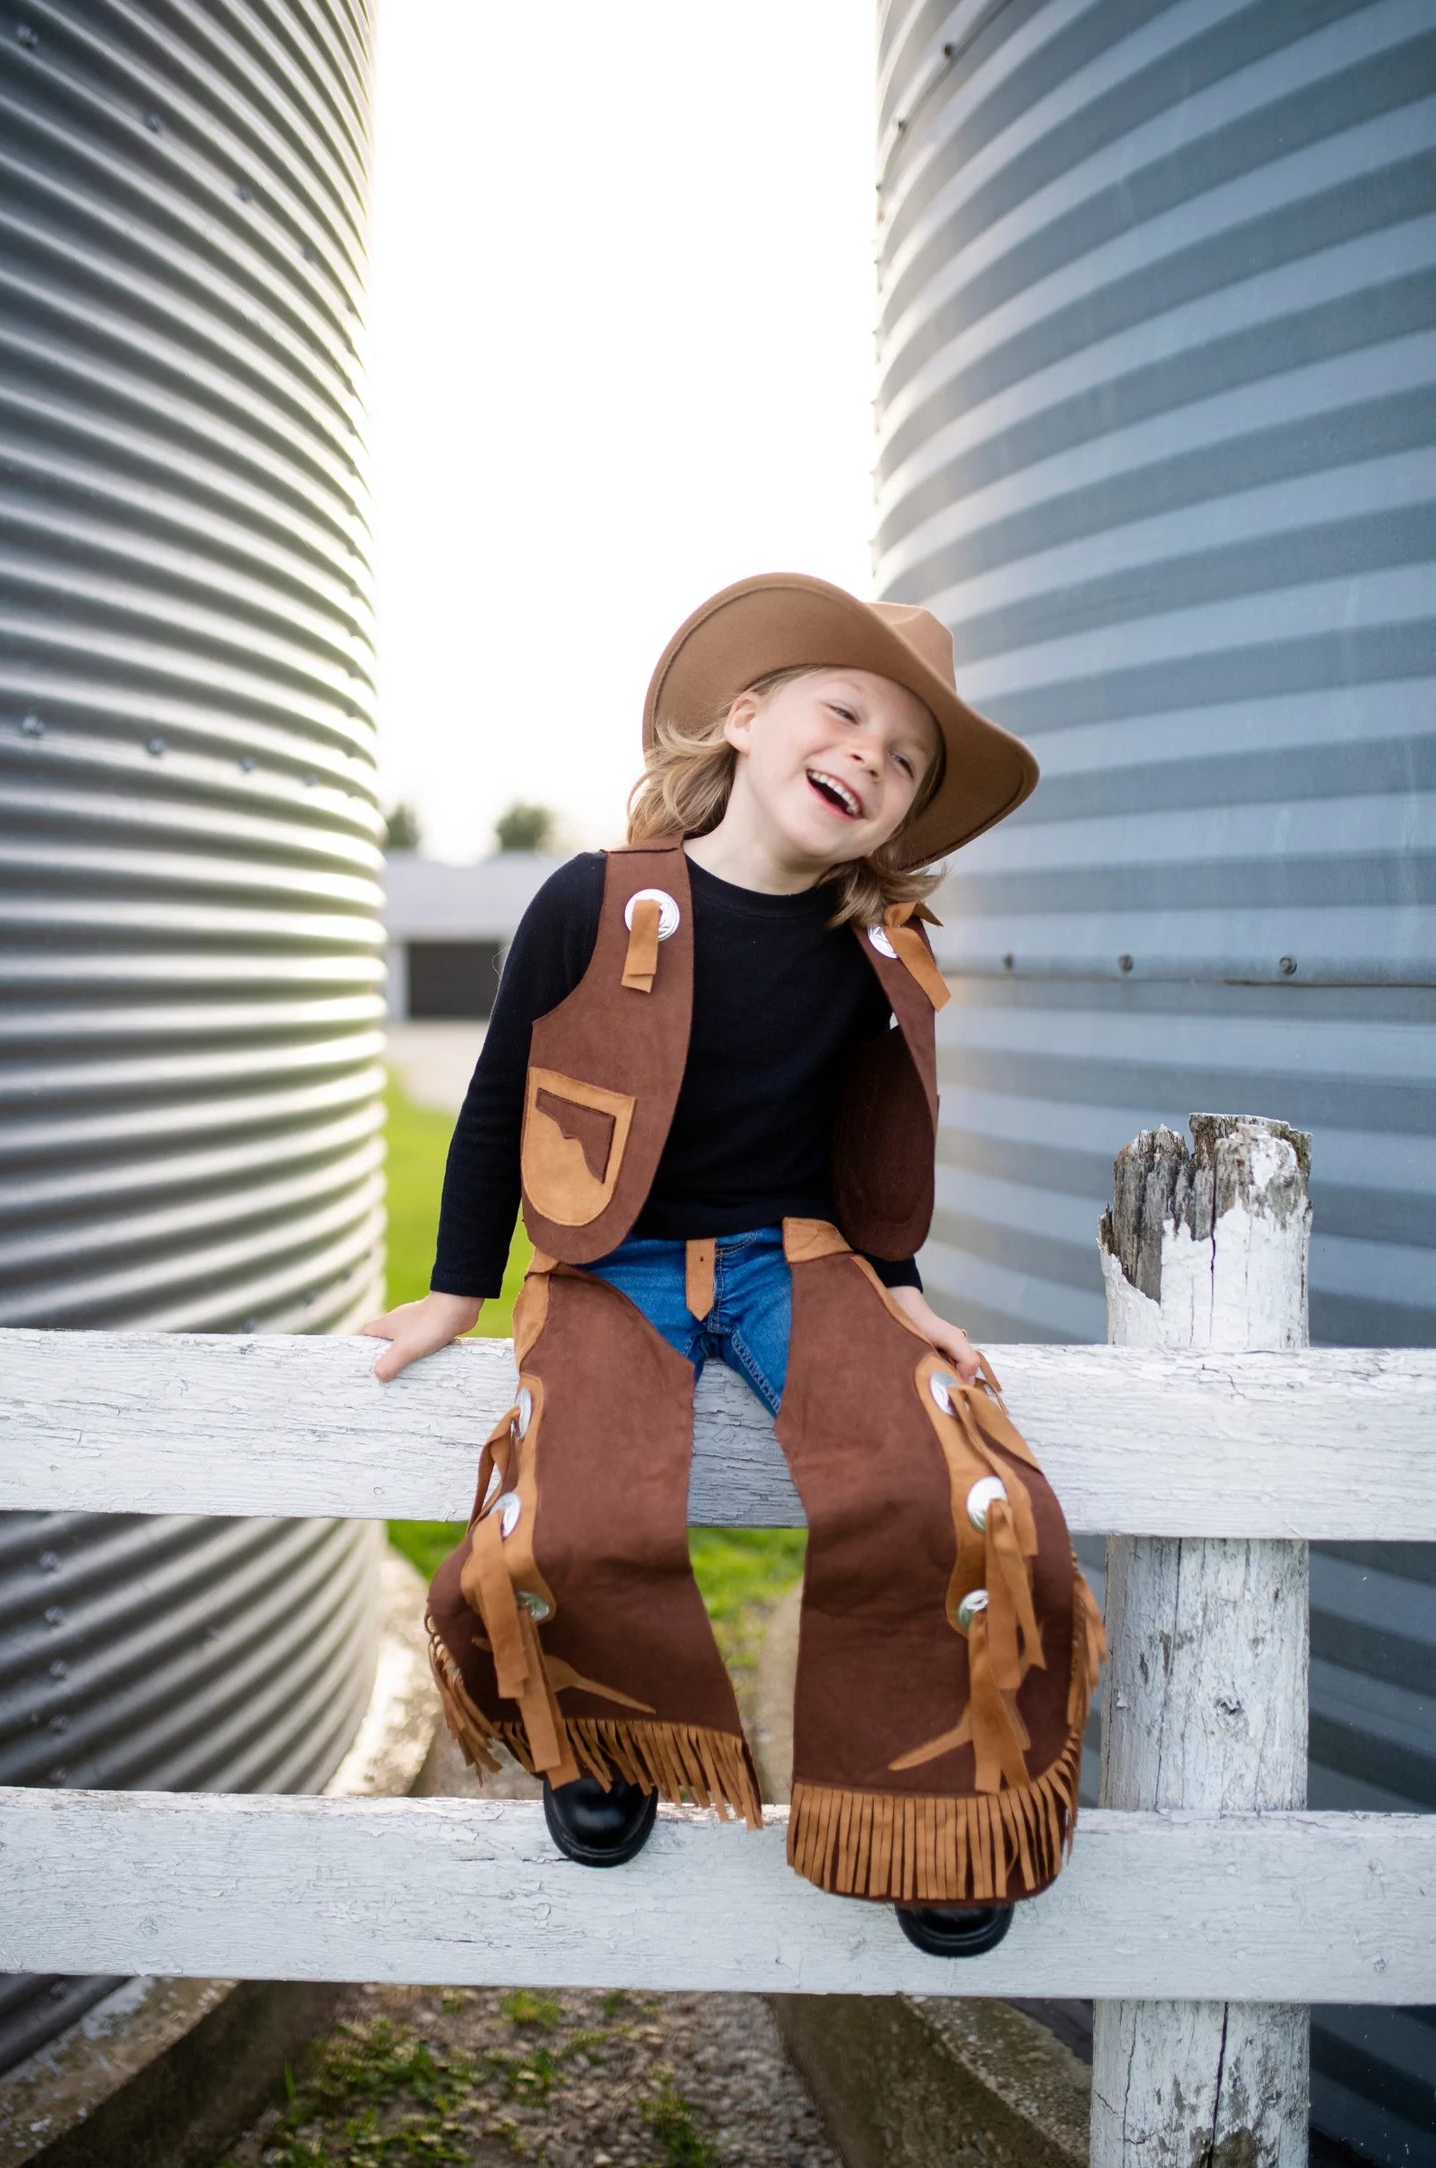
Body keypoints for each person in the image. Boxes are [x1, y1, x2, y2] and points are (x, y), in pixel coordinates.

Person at [361, 572, 1101, 1958]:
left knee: (930, 1484)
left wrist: (904, 1294)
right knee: (572, 1515)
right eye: (844, 716)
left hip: (791, 1258)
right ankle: (600, 1742)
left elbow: (878, 1140)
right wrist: (460, 1289)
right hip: (609, 1260)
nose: (866, 762)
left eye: (901, 762)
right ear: (747, 720)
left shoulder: (868, 947)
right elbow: (498, 1097)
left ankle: (929, 1812)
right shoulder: (592, 903)